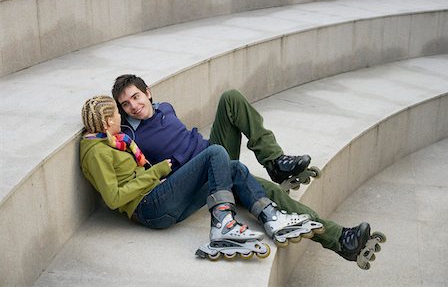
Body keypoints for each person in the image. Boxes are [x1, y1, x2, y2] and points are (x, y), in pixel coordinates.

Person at [109, 75, 386, 269]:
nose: (134, 105)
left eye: (136, 96)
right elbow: (137, 176)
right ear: (121, 110)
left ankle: (274, 160)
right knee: (272, 193)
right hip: (204, 177)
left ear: (148, 92)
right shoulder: (131, 136)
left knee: (230, 98)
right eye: (126, 104)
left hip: (214, 153)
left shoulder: (164, 108)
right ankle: (340, 240)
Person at [80, 95, 325, 261]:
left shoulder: (114, 141)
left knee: (233, 167)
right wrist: (156, 172)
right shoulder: (96, 152)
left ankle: (271, 217)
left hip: (158, 199)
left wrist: (157, 178)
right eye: (118, 113)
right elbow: (113, 198)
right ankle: (223, 225)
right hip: (148, 209)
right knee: (215, 152)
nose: (123, 119)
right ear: (109, 121)